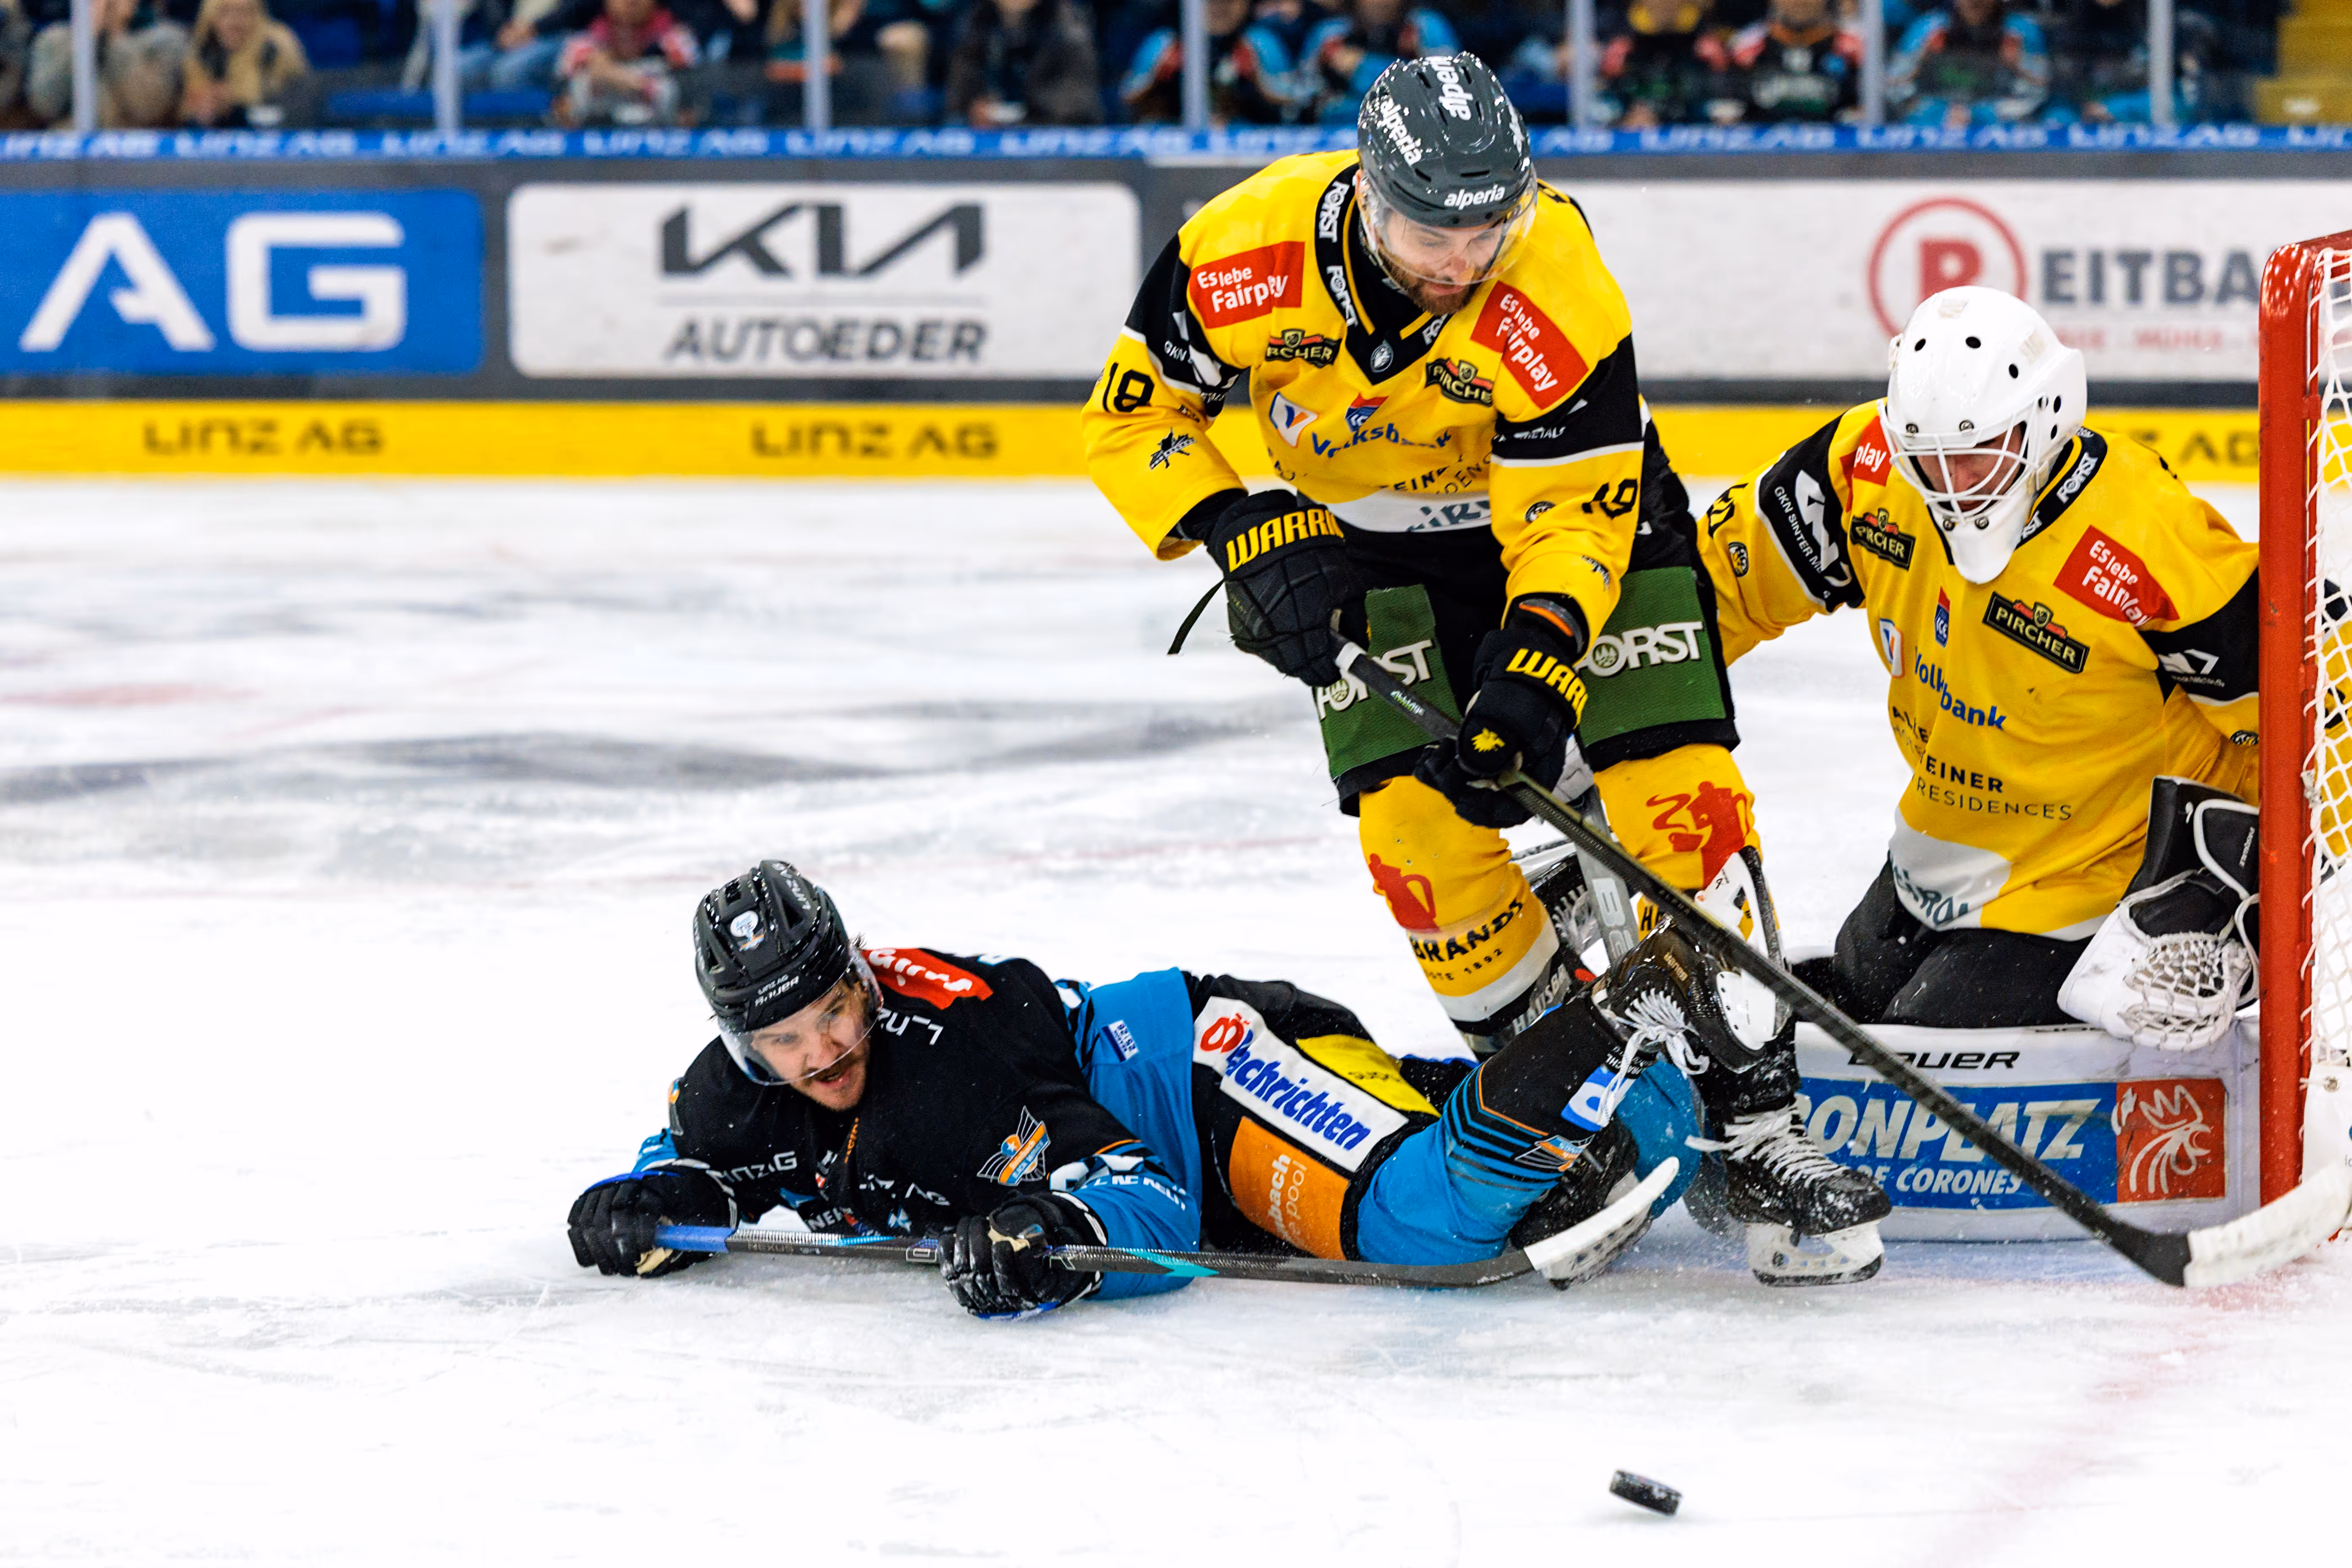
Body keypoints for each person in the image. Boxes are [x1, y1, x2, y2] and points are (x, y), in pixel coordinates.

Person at [1081, 53, 1889, 1257]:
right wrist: (1241, 531)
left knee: (1680, 800)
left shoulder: (1557, 277)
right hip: (1373, 558)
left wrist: (1539, 664)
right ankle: (1558, 1103)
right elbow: (1129, 407)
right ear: (1365, 191)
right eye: (1427, 232)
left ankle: (1757, 1114)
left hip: (1587, 532)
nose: (1460, 263)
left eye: (1486, 230)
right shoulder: (1241, 251)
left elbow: (1573, 517)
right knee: (1419, 844)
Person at [564, 860, 1879, 1318]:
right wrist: (642, 1205)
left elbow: (1133, 1190)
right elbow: (697, 1164)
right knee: (1524, 1205)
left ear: (860, 975)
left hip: (1199, 1080)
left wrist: (1060, 1233)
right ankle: (1613, 1058)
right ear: (740, 1044)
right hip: (1203, 1142)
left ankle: (1637, 1001)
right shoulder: (740, 1089)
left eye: (836, 1012)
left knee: (1422, 1222)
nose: (822, 1055)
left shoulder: (949, 1060)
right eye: (784, 1042)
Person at [1694, 286, 2260, 1046]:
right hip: (1934, 857)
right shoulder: (1865, 470)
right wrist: (1610, 693)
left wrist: (2224, 897)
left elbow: (2303, 713)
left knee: (1912, 1059)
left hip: (2096, 886)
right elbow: (1716, 587)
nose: (1951, 486)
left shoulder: (2144, 534)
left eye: (1975, 455)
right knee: (1831, 1028)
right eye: (1927, 460)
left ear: (2046, 419)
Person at [1118, 0, 1293, 124]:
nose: (1220, 8)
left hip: (1247, 136)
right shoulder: (1166, 42)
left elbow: (1293, 102)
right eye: (1211, 2)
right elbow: (1128, 97)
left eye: (1229, 2)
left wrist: (1258, 77)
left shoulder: (1261, 42)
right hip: (1175, 135)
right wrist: (1158, 75)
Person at [1886, 0, 2049, 128]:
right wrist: (1921, 61)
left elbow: (2038, 92)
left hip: (2001, 126)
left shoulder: (2020, 32)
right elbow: (1894, 87)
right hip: (1934, 123)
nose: (1973, 1)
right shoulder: (1928, 30)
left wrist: (2019, 66)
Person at [1695, 0, 1861, 123]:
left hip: (1837, 161)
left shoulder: (1855, 50)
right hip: (1762, 160)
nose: (1800, 3)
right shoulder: (1743, 50)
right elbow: (1728, 109)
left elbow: (1871, 112)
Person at [26, 0, 186, 126]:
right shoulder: (53, 39)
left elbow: (148, 109)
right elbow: (45, 106)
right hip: (69, 153)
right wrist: (86, 39)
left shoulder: (165, 40)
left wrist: (115, 36)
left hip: (131, 151)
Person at [1297, 0, 1458, 124]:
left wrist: (1362, 65)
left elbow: (1446, 88)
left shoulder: (1426, 26)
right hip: (1339, 130)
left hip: (1415, 129)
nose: (1382, 2)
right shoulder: (1330, 33)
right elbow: (1302, 94)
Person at [944, 0, 1100, 125]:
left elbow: (1078, 104)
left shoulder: (1069, 30)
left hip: (1054, 137)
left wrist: (1025, 114)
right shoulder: (976, 23)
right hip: (990, 141)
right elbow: (959, 95)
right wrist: (975, 107)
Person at [554, 0, 698, 123]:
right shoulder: (582, 45)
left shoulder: (677, 42)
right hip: (591, 143)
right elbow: (562, 109)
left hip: (662, 143)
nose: (631, 2)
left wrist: (627, 81)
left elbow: (690, 113)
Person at [178, 0, 305, 126]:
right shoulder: (202, 51)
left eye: (244, 12)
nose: (234, 22)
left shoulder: (276, 47)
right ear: (210, 17)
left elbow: (292, 106)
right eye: (225, 12)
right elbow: (187, 108)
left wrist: (234, 102)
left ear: (257, 15)